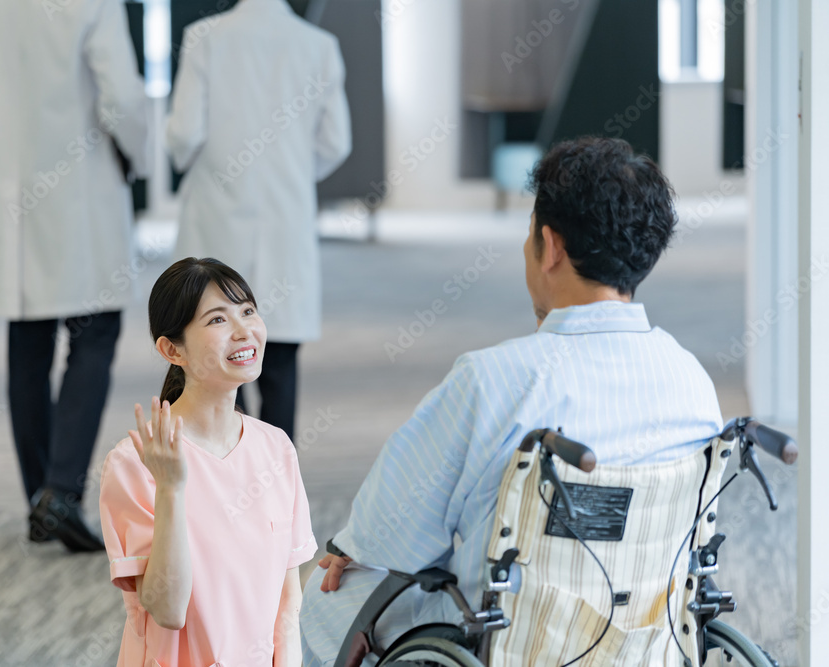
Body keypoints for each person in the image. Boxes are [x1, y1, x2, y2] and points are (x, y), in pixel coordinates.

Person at [299, 137, 726, 665]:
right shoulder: (692, 382)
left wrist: (353, 549)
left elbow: (389, 534)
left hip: (510, 639)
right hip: (647, 639)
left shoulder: (493, 380)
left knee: (325, 598)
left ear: (550, 245)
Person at [0, 0, 152, 551]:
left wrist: (16, 128)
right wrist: (139, 159)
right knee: (96, 331)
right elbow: (123, 96)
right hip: (83, 181)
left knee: (29, 336)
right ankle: (61, 491)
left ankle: (41, 498)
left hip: (14, 183)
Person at [99, 258, 318, 666]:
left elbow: (288, 604)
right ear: (172, 349)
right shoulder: (136, 464)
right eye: (217, 320)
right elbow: (168, 610)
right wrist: (170, 489)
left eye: (248, 311)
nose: (243, 331)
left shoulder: (276, 449)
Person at [165, 0, 352, 440]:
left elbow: (184, 136)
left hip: (216, 219)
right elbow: (336, 142)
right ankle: (276, 472)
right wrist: (294, 172)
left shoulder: (204, 38)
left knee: (216, 358)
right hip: (286, 220)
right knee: (279, 359)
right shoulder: (319, 45)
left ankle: (224, 468)